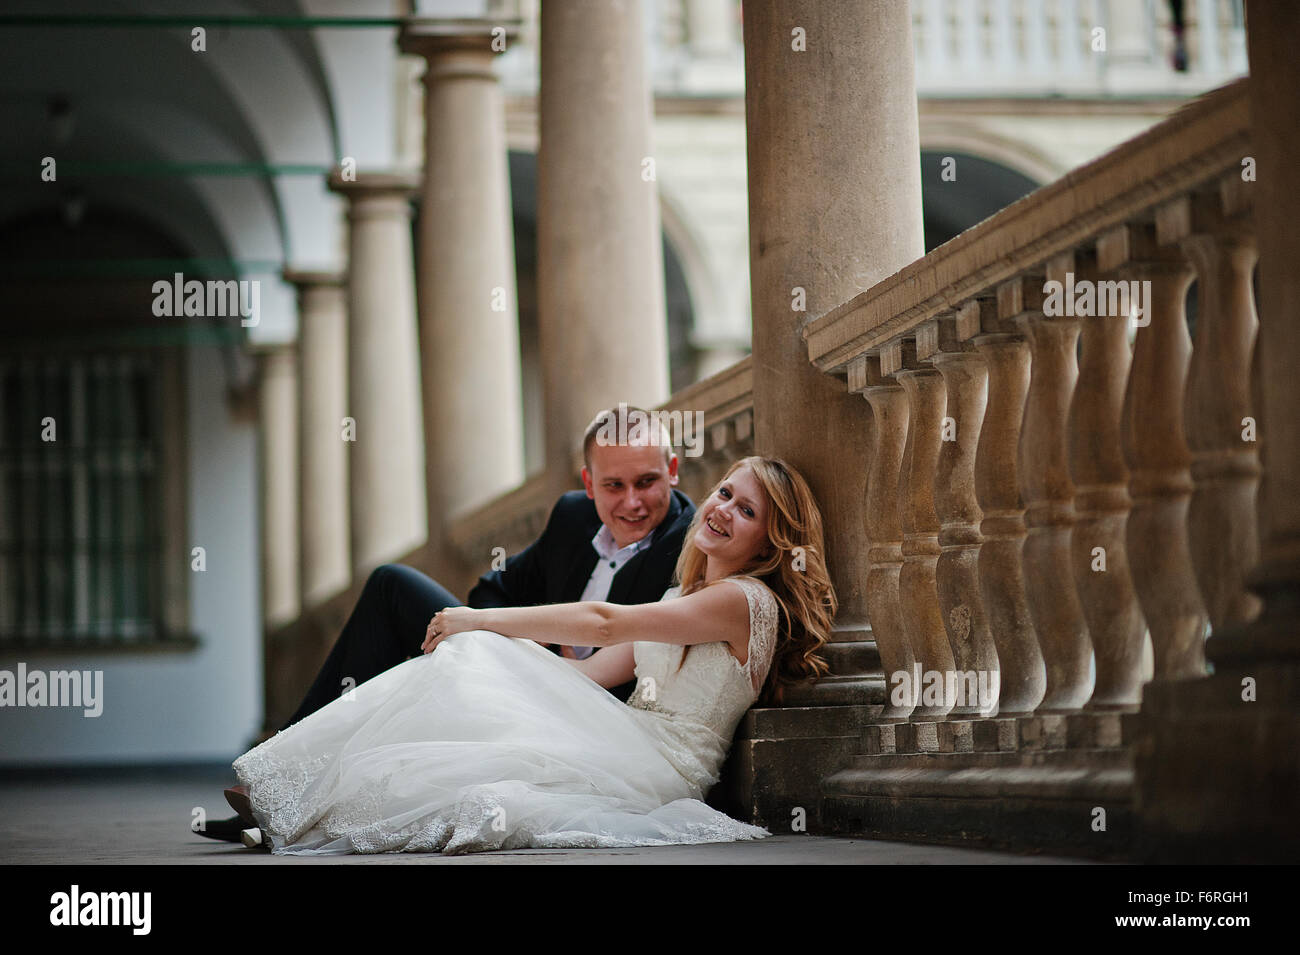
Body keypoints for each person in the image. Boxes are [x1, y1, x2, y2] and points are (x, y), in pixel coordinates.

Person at [230, 456, 834, 854]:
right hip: (623, 737)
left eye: (747, 511)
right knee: (477, 666)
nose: (723, 509)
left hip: (661, 767)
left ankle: (299, 797)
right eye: (725, 492)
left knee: (477, 719)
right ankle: (296, 795)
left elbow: (604, 623)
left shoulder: (744, 601)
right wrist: (496, 653)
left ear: (771, 543)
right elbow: (587, 673)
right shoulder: (685, 596)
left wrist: (480, 621)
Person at [196, 405, 695, 842]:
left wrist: (536, 657)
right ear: (588, 484)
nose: (632, 502)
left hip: (588, 718)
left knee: (421, 648)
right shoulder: (572, 517)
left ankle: (281, 799)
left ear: (672, 471)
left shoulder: (689, 548)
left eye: (646, 482)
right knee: (391, 586)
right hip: (520, 672)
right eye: (614, 485)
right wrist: (532, 643)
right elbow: (492, 590)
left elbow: (627, 654)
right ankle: (277, 782)